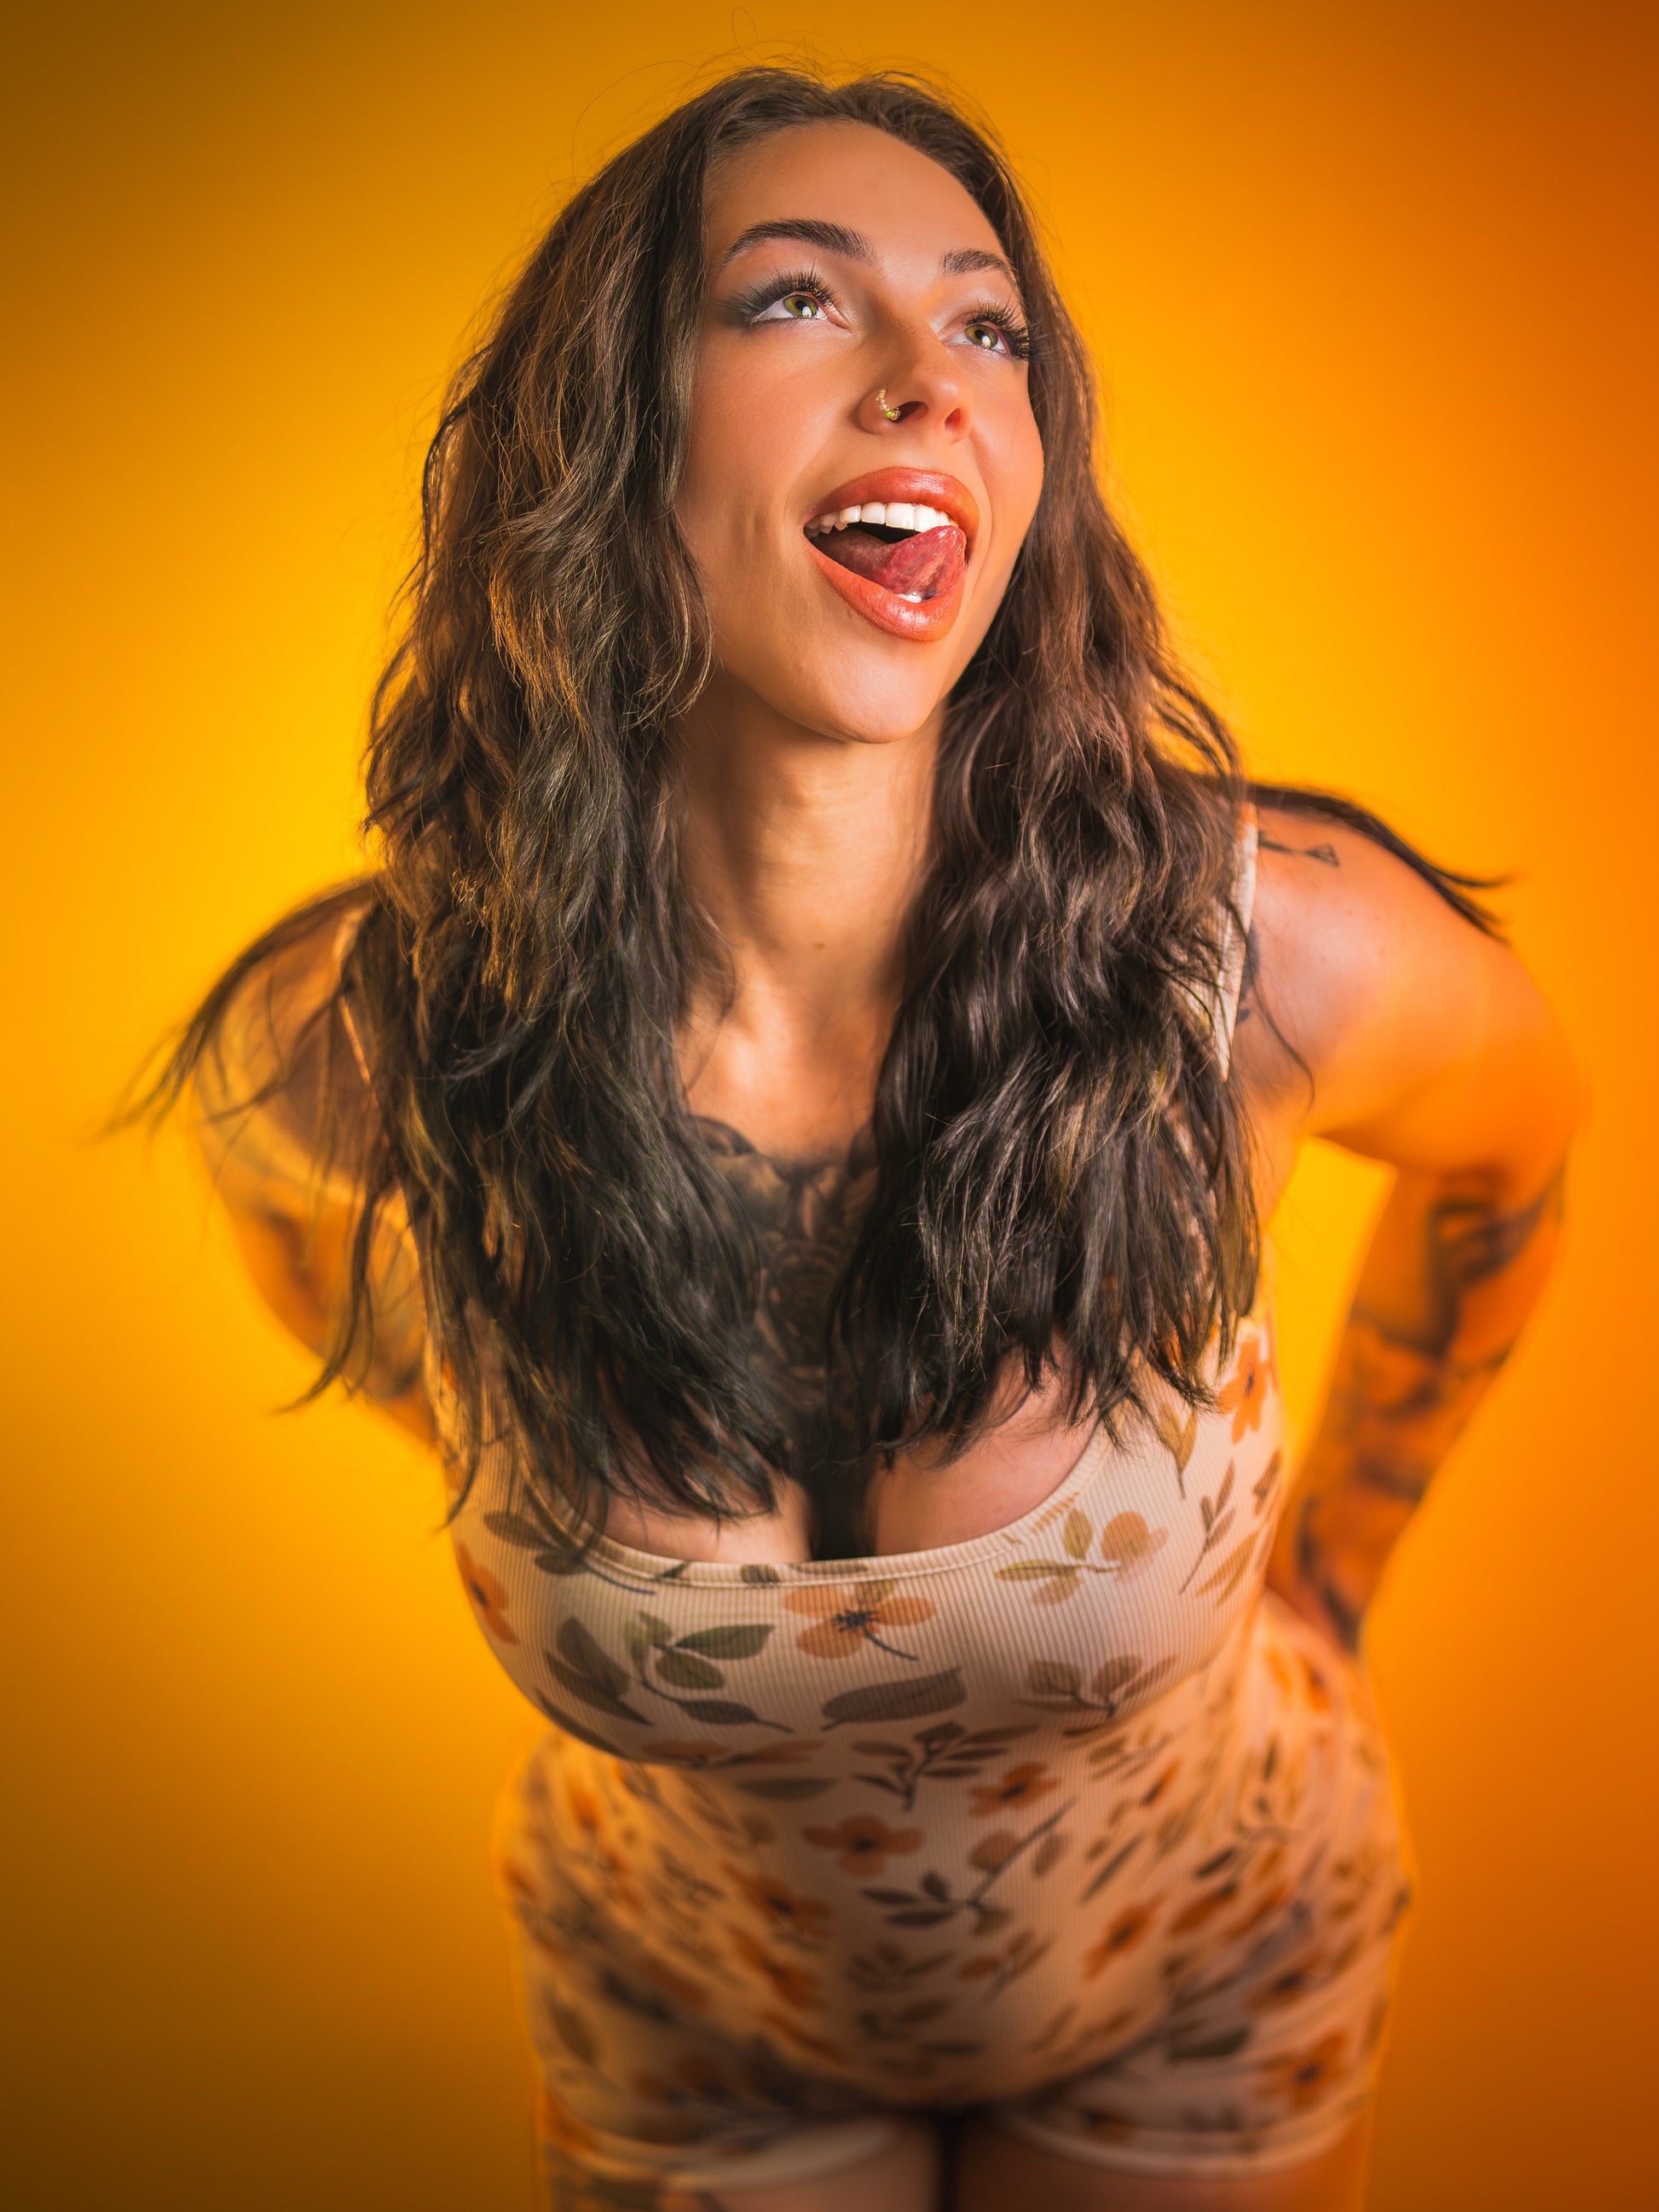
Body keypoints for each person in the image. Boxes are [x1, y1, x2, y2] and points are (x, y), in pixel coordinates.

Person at [163, 67, 1576, 2212]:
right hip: (687, 2011)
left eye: (989, 326)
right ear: (607, 432)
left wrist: (1345, 1556)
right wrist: (518, 1427)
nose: (930, 375)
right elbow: (294, 1225)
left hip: (1207, 1980)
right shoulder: (374, 1045)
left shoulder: (1266, 956)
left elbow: (1516, 1153)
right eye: (796, 299)